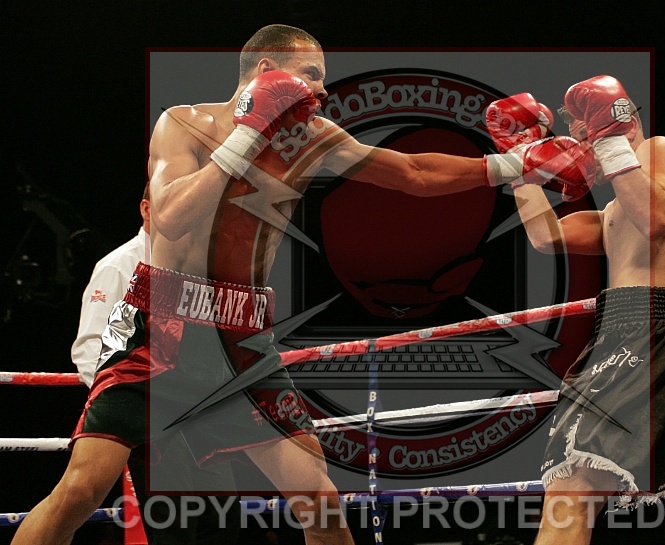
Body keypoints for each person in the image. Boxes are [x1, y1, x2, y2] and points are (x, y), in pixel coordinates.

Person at [10, 24, 539, 545]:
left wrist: (515, 163)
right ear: (267, 70)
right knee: (81, 490)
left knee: (320, 501)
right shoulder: (185, 124)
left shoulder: (313, 138)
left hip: (242, 338)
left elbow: (413, 173)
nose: (322, 90)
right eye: (311, 73)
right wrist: (247, 135)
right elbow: (169, 217)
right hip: (161, 328)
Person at [487, 76, 665, 544]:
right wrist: (520, 163)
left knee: (571, 486)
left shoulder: (662, 150)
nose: (585, 146)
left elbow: (656, 219)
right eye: (581, 136)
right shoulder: (614, 212)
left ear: (619, 122)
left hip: (652, 330)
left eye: (590, 131)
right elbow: (545, 236)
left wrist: (612, 139)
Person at [71, 184, 240, 544]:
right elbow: (90, 347)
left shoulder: (194, 266)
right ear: (146, 209)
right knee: (172, 523)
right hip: (149, 417)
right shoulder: (119, 265)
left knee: (222, 517)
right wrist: (126, 406)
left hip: (199, 415)